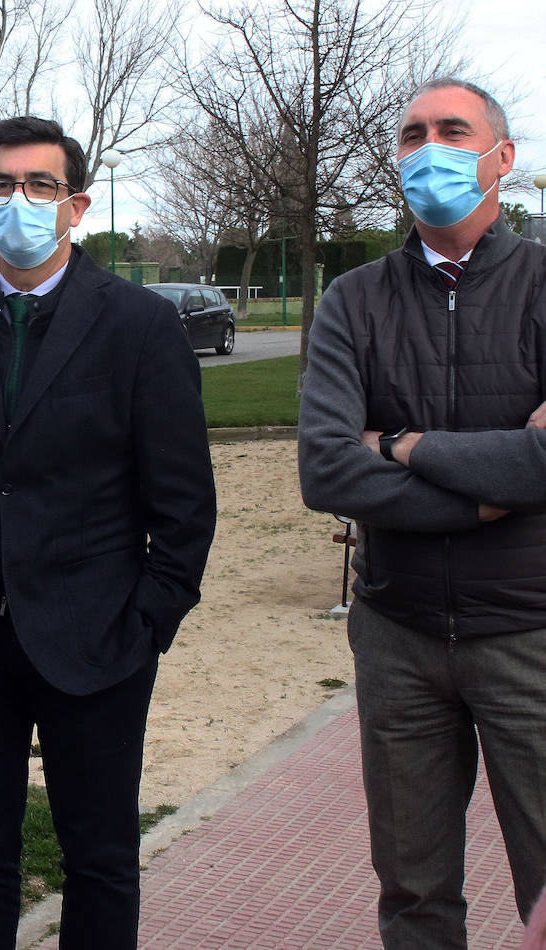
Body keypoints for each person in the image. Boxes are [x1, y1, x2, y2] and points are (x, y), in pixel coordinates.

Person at [0, 116, 217, 949]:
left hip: (96, 640)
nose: (19, 200)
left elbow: (183, 501)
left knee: (99, 859)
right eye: (2, 184)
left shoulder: (139, 325)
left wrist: (149, 620)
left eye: (41, 186)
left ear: (76, 207)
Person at [299, 78, 546, 948]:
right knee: (412, 896)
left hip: (529, 636)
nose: (427, 147)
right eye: (411, 134)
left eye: (452, 130)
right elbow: (326, 469)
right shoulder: (353, 300)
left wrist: (400, 445)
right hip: (397, 636)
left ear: (501, 159)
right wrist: (494, 490)